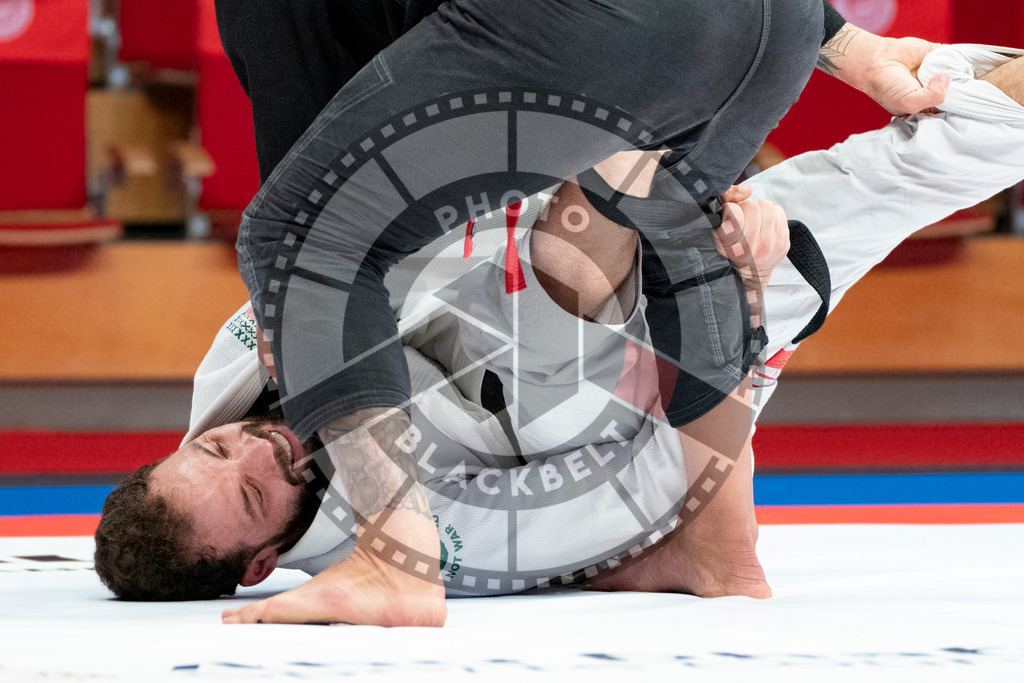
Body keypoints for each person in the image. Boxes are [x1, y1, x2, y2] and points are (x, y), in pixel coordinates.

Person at [95, 45, 1024, 625]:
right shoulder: (420, 536)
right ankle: (665, 145)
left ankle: (659, 138)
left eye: (217, 446)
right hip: (658, 387)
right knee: (938, 153)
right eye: (258, 495)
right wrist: (725, 305)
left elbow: (404, 253)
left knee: (450, 293)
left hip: (548, 229)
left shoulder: (231, 369)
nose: (266, 447)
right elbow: (640, 481)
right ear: (263, 563)